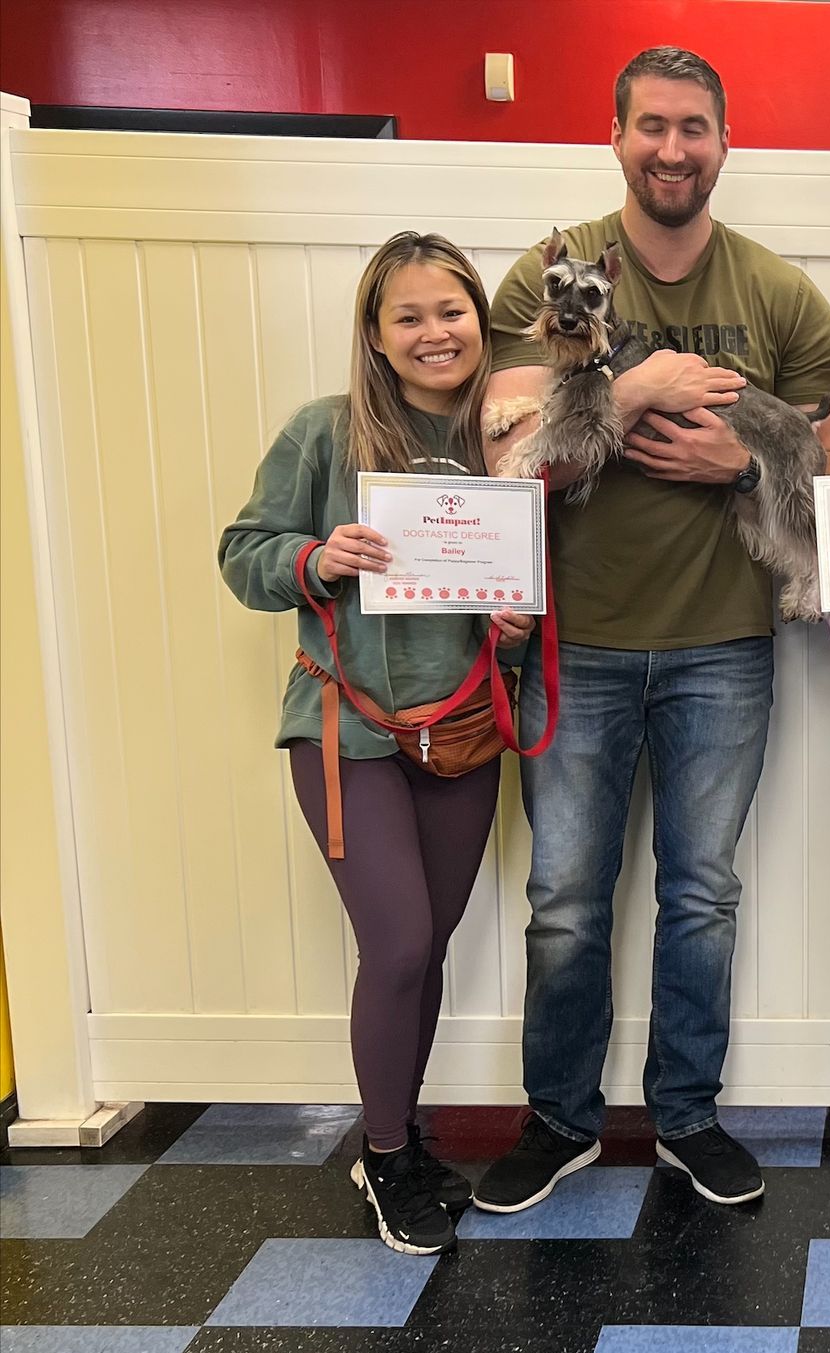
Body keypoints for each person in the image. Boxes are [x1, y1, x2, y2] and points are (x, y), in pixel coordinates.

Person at [475, 47, 830, 1214]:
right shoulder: (542, 279)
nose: (673, 148)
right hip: (570, 644)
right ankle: (560, 1121)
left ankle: (686, 1113)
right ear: (617, 134)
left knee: (702, 892)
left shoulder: (782, 295)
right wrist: (634, 392)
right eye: (652, 126)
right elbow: (501, 444)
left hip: (723, 645)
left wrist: (739, 458)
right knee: (565, 899)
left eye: (694, 127)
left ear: (723, 142)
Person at [219, 232, 534, 1256]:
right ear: (375, 333)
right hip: (344, 727)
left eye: (452, 311)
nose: (435, 332)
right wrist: (316, 555)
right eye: (410, 315)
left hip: (464, 726)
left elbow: (525, 579)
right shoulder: (325, 432)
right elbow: (244, 552)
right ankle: (388, 1153)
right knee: (397, 941)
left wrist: (521, 619)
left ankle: (399, 1136)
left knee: (423, 946)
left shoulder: (509, 438)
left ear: (479, 324)